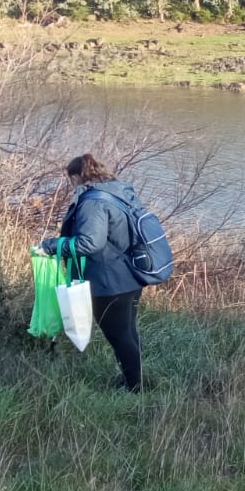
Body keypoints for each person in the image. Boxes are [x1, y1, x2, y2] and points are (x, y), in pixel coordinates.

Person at [38, 154, 150, 393]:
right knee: (128, 332)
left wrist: (52, 246)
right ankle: (132, 380)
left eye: (71, 180)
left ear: (78, 176)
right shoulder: (121, 193)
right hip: (131, 275)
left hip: (108, 282)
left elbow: (90, 243)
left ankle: (134, 388)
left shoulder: (93, 202)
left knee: (119, 336)